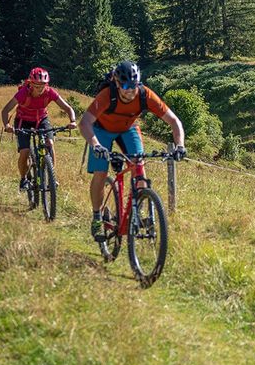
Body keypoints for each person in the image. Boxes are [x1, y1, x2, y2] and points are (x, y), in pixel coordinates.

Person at [79, 60, 186, 242]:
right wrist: (96, 145)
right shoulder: (107, 95)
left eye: (134, 85)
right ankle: (97, 217)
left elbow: (174, 122)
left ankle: (138, 211)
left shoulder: (145, 95)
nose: (130, 90)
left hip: (128, 129)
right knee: (100, 172)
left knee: (139, 168)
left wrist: (180, 145)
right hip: (101, 130)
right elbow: (85, 122)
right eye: (125, 85)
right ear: (117, 83)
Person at [0, 67, 76, 192]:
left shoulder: (50, 92)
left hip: (41, 120)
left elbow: (68, 108)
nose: (40, 88)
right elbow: (5, 110)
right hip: (23, 120)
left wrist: (72, 120)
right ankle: (23, 179)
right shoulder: (23, 92)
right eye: (36, 85)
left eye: (43, 85)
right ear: (30, 83)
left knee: (50, 144)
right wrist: (7, 125)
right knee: (24, 152)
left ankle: (51, 177)